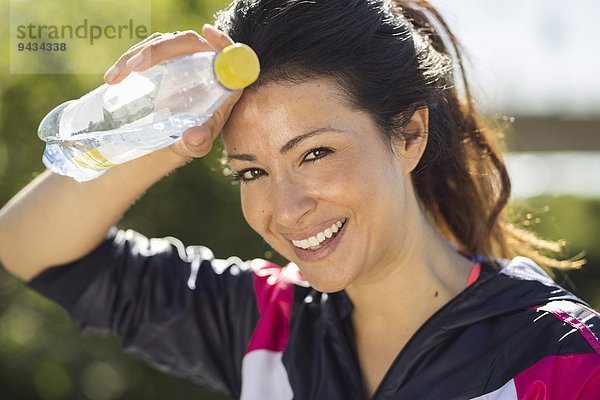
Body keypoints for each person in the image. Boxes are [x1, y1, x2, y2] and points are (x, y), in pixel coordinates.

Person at [0, 0, 599, 399]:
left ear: (410, 135)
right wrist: (171, 132)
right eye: (250, 171)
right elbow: (29, 248)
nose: (284, 211)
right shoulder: (266, 323)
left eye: (315, 154)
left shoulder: (565, 359)